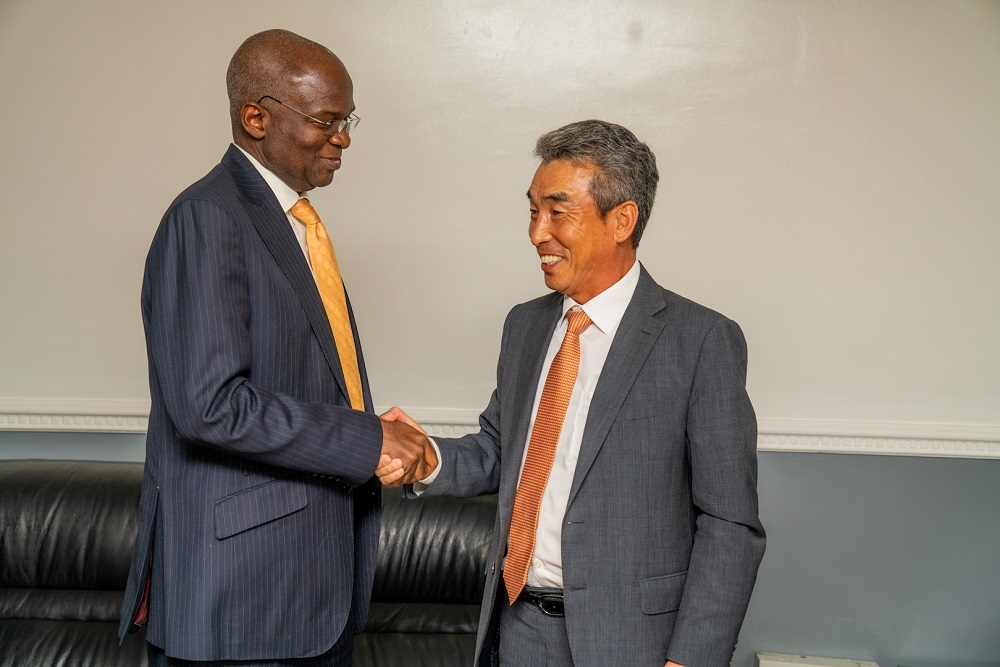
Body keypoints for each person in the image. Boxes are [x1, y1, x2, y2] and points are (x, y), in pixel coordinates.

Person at [378, 120, 765, 667]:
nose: (538, 232)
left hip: (634, 643)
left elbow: (729, 522)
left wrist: (691, 660)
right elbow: (499, 451)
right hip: (516, 628)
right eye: (533, 211)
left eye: (557, 212)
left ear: (621, 220)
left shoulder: (701, 340)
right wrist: (427, 456)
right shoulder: (525, 326)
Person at [118, 29, 433, 666]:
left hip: (307, 591)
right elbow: (210, 405)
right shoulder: (207, 218)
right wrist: (368, 440)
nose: (342, 137)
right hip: (242, 600)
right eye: (326, 120)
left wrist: (370, 435)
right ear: (255, 117)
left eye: (347, 120)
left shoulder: (290, 223)